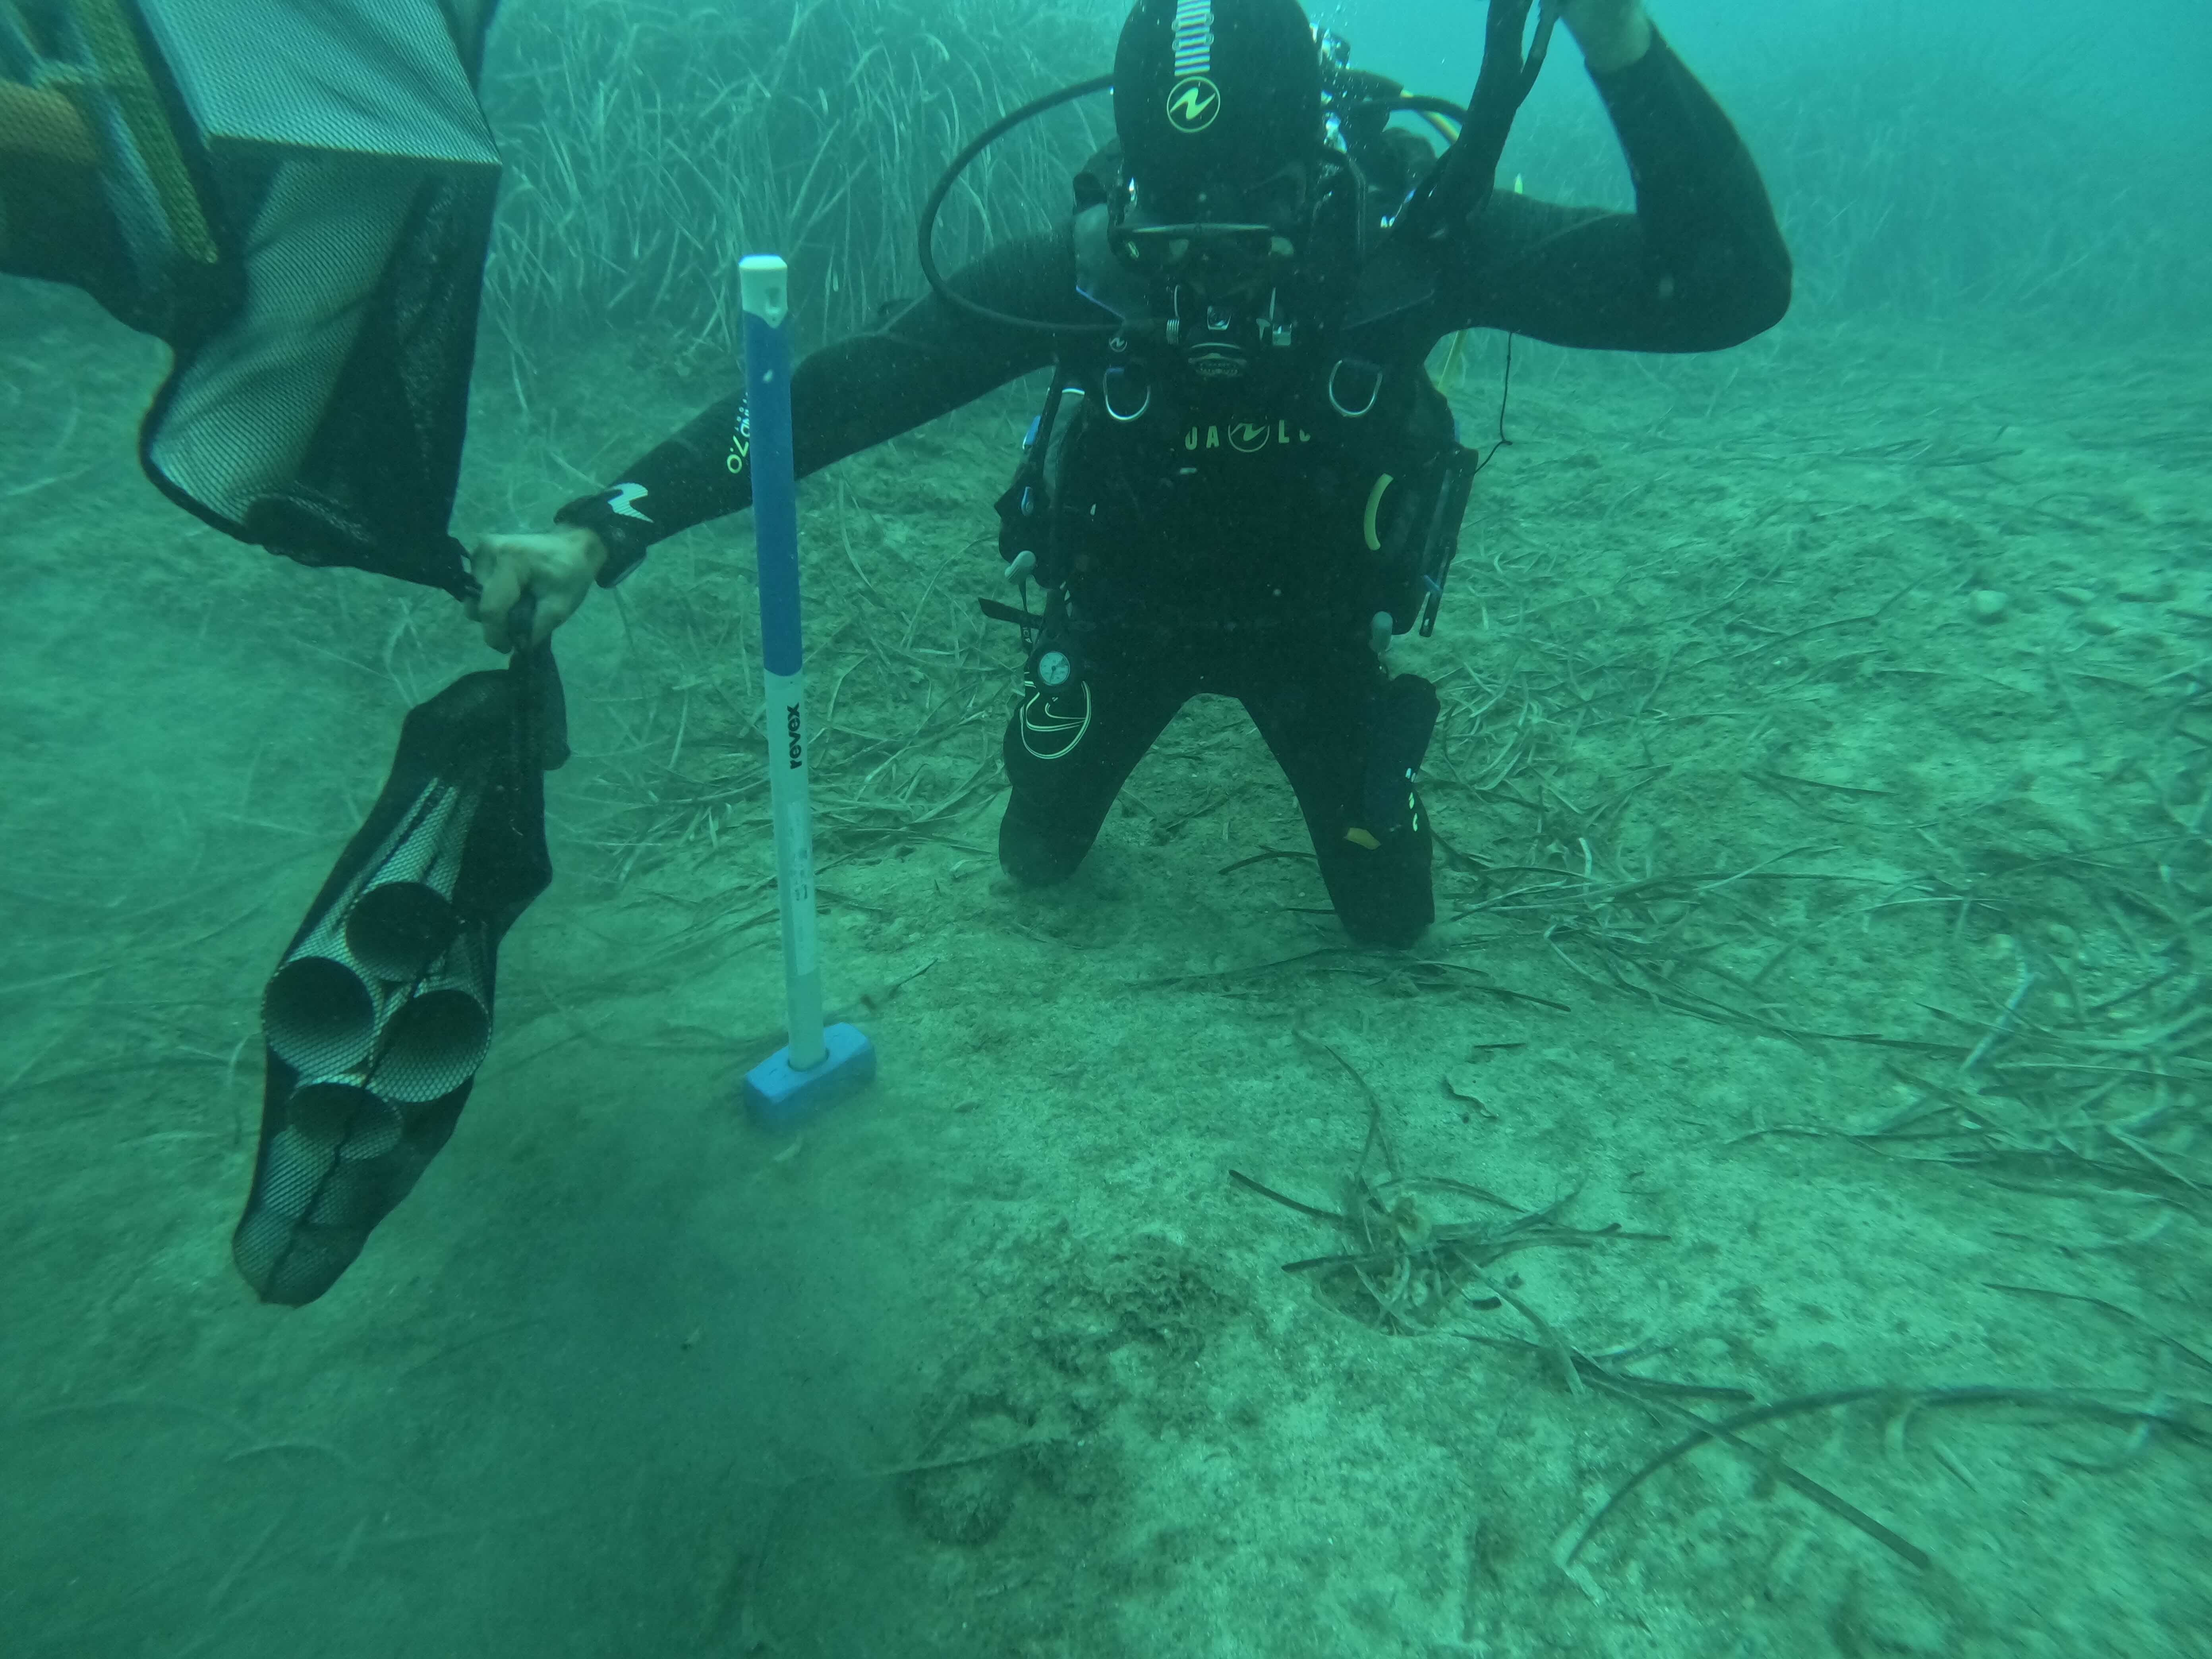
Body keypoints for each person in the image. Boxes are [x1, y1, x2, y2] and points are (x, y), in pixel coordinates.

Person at [476, 0, 1790, 952]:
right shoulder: (1090, 268)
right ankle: (1080, 723)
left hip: (1321, 633)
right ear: (1128, 203)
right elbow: (842, 391)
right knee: (1034, 857)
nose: (1211, 283)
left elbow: (1728, 289)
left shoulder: (1411, 248)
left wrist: (1617, 39)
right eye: (1174, 237)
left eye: (1250, 237)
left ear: (1318, 179)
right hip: (1120, 616)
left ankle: (1364, 745)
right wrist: (609, 523)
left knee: (1390, 926)